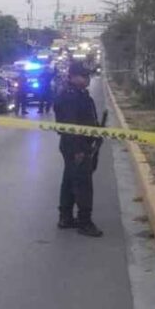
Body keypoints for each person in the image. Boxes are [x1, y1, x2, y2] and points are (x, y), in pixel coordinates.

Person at [54, 62, 102, 237]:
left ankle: (65, 217)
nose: (87, 79)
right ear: (73, 77)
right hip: (76, 144)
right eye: (83, 76)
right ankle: (85, 222)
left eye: (87, 75)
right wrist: (78, 150)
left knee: (69, 181)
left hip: (79, 143)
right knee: (83, 183)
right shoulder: (69, 97)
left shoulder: (79, 94)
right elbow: (70, 125)